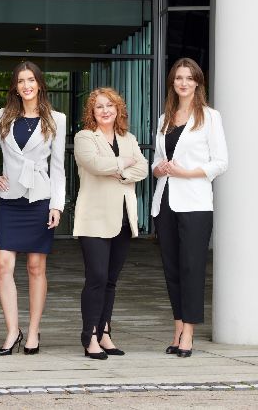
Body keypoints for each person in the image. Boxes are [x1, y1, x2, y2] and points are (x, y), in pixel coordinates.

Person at [0, 61, 66, 356]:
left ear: (39, 84)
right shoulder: (4, 116)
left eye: (31, 80)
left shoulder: (56, 119)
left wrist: (57, 205)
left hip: (39, 200)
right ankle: (12, 331)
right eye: (21, 81)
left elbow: (58, 168)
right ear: (15, 87)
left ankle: (32, 331)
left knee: (35, 267)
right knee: (2, 265)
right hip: (10, 200)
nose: (26, 85)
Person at [152, 58, 228, 358]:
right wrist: (159, 169)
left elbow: (221, 163)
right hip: (165, 200)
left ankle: (189, 333)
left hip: (195, 203)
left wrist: (186, 172)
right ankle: (178, 328)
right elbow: (157, 161)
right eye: (178, 78)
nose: (183, 83)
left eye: (189, 78)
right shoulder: (165, 118)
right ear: (172, 83)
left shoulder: (210, 117)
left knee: (191, 267)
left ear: (198, 82)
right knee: (172, 268)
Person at [73, 87, 148, 360]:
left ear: (118, 110)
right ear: (92, 112)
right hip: (94, 218)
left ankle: (104, 332)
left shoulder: (129, 138)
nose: (105, 111)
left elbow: (143, 168)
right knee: (96, 278)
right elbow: (94, 164)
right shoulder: (84, 137)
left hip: (123, 219)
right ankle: (90, 336)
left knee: (110, 281)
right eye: (99, 107)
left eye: (110, 106)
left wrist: (121, 172)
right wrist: (124, 162)